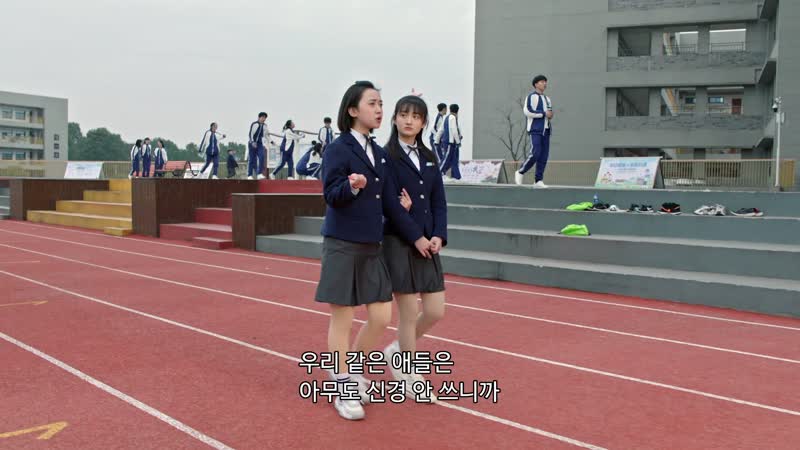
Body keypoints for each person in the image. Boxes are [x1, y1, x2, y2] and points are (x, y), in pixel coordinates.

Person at [315, 81, 430, 421]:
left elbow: (387, 201)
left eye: (381, 104)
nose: (380, 110)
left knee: (381, 316)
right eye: (372, 104)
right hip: (342, 243)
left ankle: (350, 371)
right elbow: (330, 194)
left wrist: (406, 214)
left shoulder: (379, 154)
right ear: (353, 110)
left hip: (372, 245)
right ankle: (343, 387)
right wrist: (350, 186)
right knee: (343, 317)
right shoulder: (338, 149)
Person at [381, 95, 447, 401]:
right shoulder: (386, 157)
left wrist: (438, 235)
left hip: (428, 243)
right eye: (404, 114)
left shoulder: (430, 157)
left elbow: (438, 201)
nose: (409, 121)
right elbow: (391, 207)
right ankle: (409, 375)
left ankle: (397, 350)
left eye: (416, 116)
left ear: (423, 123)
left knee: (435, 310)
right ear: (394, 118)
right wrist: (416, 236)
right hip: (399, 242)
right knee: (407, 314)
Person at [516, 74, 553, 188]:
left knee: (544, 156)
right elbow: (527, 111)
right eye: (542, 82)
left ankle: (538, 180)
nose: (544, 84)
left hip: (546, 130)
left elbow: (549, 112)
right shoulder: (531, 97)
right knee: (535, 153)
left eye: (545, 82)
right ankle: (521, 171)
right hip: (535, 129)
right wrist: (543, 114)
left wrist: (550, 115)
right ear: (536, 84)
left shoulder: (547, 99)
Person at [436, 104, 462, 180]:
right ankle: (437, 174)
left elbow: (441, 130)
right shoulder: (453, 117)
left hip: (448, 142)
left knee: (454, 161)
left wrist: (436, 141)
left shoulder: (446, 118)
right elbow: (454, 131)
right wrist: (458, 142)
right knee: (446, 159)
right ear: (457, 111)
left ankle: (457, 177)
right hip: (450, 143)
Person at [246, 112, 270, 180]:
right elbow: (250, 134)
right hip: (252, 143)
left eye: (265, 118)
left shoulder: (265, 126)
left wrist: (271, 141)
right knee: (252, 159)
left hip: (260, 144)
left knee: (262, 157)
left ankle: (259, 174)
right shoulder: (254, 124)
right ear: (259, 117)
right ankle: (249, 175)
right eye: (262, 117)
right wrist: (252, 142)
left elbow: (266, 135)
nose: (264, 119)